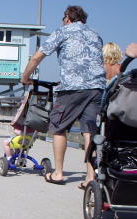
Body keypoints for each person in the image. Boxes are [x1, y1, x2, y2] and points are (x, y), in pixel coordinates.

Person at [21, 5, 105, 188]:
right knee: (89, 130)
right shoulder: (95, 35)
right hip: (97, 88)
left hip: (72, 88)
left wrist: (25, 77)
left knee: (59, 126)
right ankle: (90, 178)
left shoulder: (63, 31)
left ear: (67, 18)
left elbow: (37, 58)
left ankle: (58, 173)